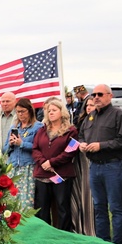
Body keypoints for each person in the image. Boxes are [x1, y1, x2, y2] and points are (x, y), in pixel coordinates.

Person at [78, 83, 122, 244]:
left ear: (110, 96)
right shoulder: (90, 116)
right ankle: (103, 243)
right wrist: (82, 144)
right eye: (94, 95)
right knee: (98, 206)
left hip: (112, 166)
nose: (96, 97)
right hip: (94, 167)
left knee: (115, 207)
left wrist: (101, 145)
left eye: (100, 94)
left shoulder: (119, 115)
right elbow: (81, 135)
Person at [32, 97, 78, 231]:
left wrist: (52, 162)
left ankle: (64, 234)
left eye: (54, 110)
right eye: (49, 110)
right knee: (42, 207)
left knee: (62, 206)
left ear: (61, 112)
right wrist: (43, 163)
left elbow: (70, 151)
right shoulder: (42, 130)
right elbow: (35, 149)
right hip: (42, 174)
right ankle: (44, 234)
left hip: (61, 174)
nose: (51, 113)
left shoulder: (71, 131)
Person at [3, 97, 42, 209]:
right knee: (11, 200)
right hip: (13, 167)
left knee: (25, 202)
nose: (20, 114)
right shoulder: (14, 128)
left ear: (30, 111)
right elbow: (4, 150)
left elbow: (38, 147)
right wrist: (10, 144)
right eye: (18, 112)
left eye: (22, 111)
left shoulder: (37, 127)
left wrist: (21, 143)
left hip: (28, 167)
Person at [71, 95, 97, 236]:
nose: (89, 108)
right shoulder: (80, 122)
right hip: (79, 161)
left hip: (92, 161)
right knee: (78, 194)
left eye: (92, 105)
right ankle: (78, 227)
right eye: (87, 105)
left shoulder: (99, 123)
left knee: (89, 195)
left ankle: (90, 229)